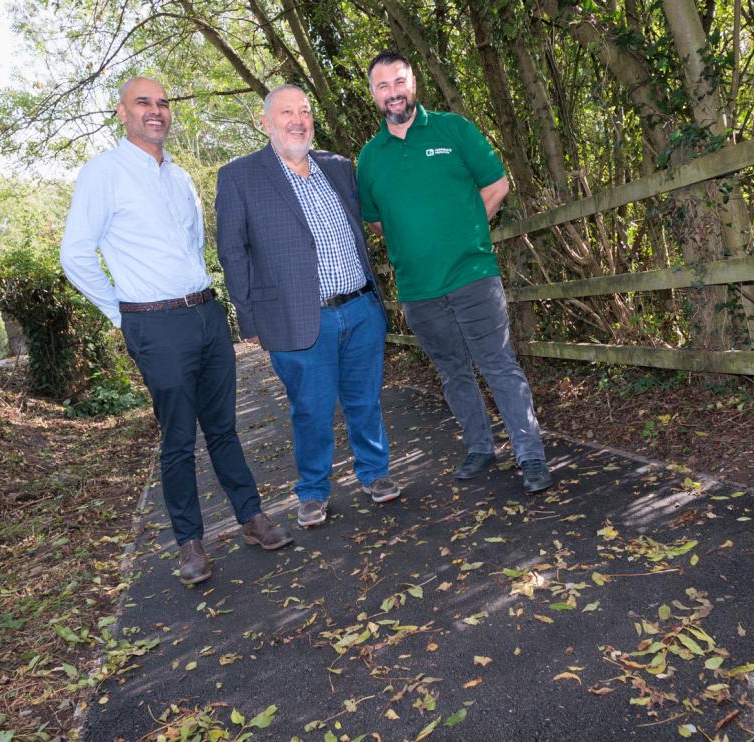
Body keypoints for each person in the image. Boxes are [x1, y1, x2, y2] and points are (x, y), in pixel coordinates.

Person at [60, 76, 291, 586]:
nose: (156, 111)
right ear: (121, 112)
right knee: (179, 438)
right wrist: (123, 313)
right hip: (152, 321)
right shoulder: (104, 173)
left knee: (224, 428)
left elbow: (194, 248)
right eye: (143, 102)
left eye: (163, 103)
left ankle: (251, 517)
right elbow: (75, 254)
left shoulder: (181, 177)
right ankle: (190, 542)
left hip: (206, 314)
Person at [357, 51, 553, 494]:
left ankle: (530, 453)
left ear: (414, 83)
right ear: (373, 94)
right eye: (383, 86)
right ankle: (480, 446)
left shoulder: (453, 129)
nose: (393, 92)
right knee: (452, 371)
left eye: (400, 81)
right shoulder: (369, 158)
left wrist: (464, 234)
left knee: (497, 363)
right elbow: (376, 220)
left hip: (473, 276)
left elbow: (498, 183)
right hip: (418, 289)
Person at [216, 84, 401, 528]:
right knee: (311, 409)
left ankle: (375, 474)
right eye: (286, 112)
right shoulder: (240, 176)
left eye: (304, 111)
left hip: (359, 308)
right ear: (265, 122)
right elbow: (232, 252)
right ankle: (314, 490)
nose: (298, 120)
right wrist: (249, 319)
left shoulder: (338, 167)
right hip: (298, 319)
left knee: (365, 401)